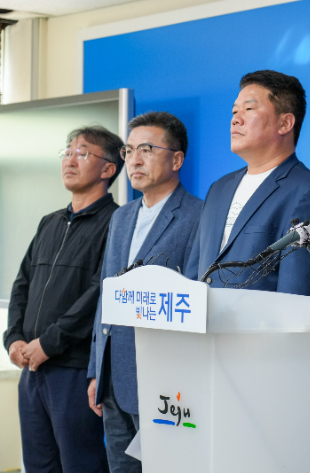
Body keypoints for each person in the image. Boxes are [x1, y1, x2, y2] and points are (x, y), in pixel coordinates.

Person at [4, 125, 123, 472]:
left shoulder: (116, 222)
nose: (70, 160)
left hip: (73, 369)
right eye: (67, 152)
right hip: (32, 367)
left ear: (108, 168)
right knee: (37, 465)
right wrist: (14, 338)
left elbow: (98, 294)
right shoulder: (50, 222)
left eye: (82, 153)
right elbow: (22, 283)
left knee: (79, 464)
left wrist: (49, 343)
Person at [88, 112, 202, 472]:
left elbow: (197, 299)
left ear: (177, 159)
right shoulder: (121, 217)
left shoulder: (199, 216)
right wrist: (96, 369)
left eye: (147, 150)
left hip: (164, 382)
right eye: (129, 150)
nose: (134, 160)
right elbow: (107, 293)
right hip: (112, 379)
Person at [185, 70, 310, 292]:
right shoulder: (219, 188)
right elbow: (194, 275)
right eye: (234, 111)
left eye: (249, 109)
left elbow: (296, 294)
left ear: (285, 123)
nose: (235, 119)